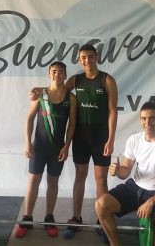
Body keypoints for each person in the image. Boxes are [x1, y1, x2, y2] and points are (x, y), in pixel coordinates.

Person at [30, 44, 118, 242]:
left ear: (96, 57)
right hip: (81, 136)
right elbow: (57, 90)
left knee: (101, 179)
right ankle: (76, 218)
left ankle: (101, 221)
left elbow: (113, 111)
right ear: (79, 60)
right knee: (80, 175)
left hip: (101, 136)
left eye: (90, 56)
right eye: (83, 58)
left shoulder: (107, 80)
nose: (87, 60)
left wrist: (111, 139)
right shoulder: (75, 80)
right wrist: (38, 90)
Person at [95, 101, 155, 246]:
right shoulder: (134, 140)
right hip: (136, 188)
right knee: (101, 205)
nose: (147, 122)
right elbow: (125, 171)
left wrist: (151, 201)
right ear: (140, 120)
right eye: (144, 118)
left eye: (152, 118)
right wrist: (118, 171)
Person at [15, 61, 77, 239]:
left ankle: (49, 218)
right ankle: (27, 218)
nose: (57, 74)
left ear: (65, 75)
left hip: (57, 149)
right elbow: (29, 119)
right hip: (39, 148)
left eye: (60, 72)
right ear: (49, 75)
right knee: (33, 180)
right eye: (54, 72)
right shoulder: (40, 94)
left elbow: (72, 125)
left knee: (53, 182)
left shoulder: (71, 98)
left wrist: (67, 146)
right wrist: (28, 143)